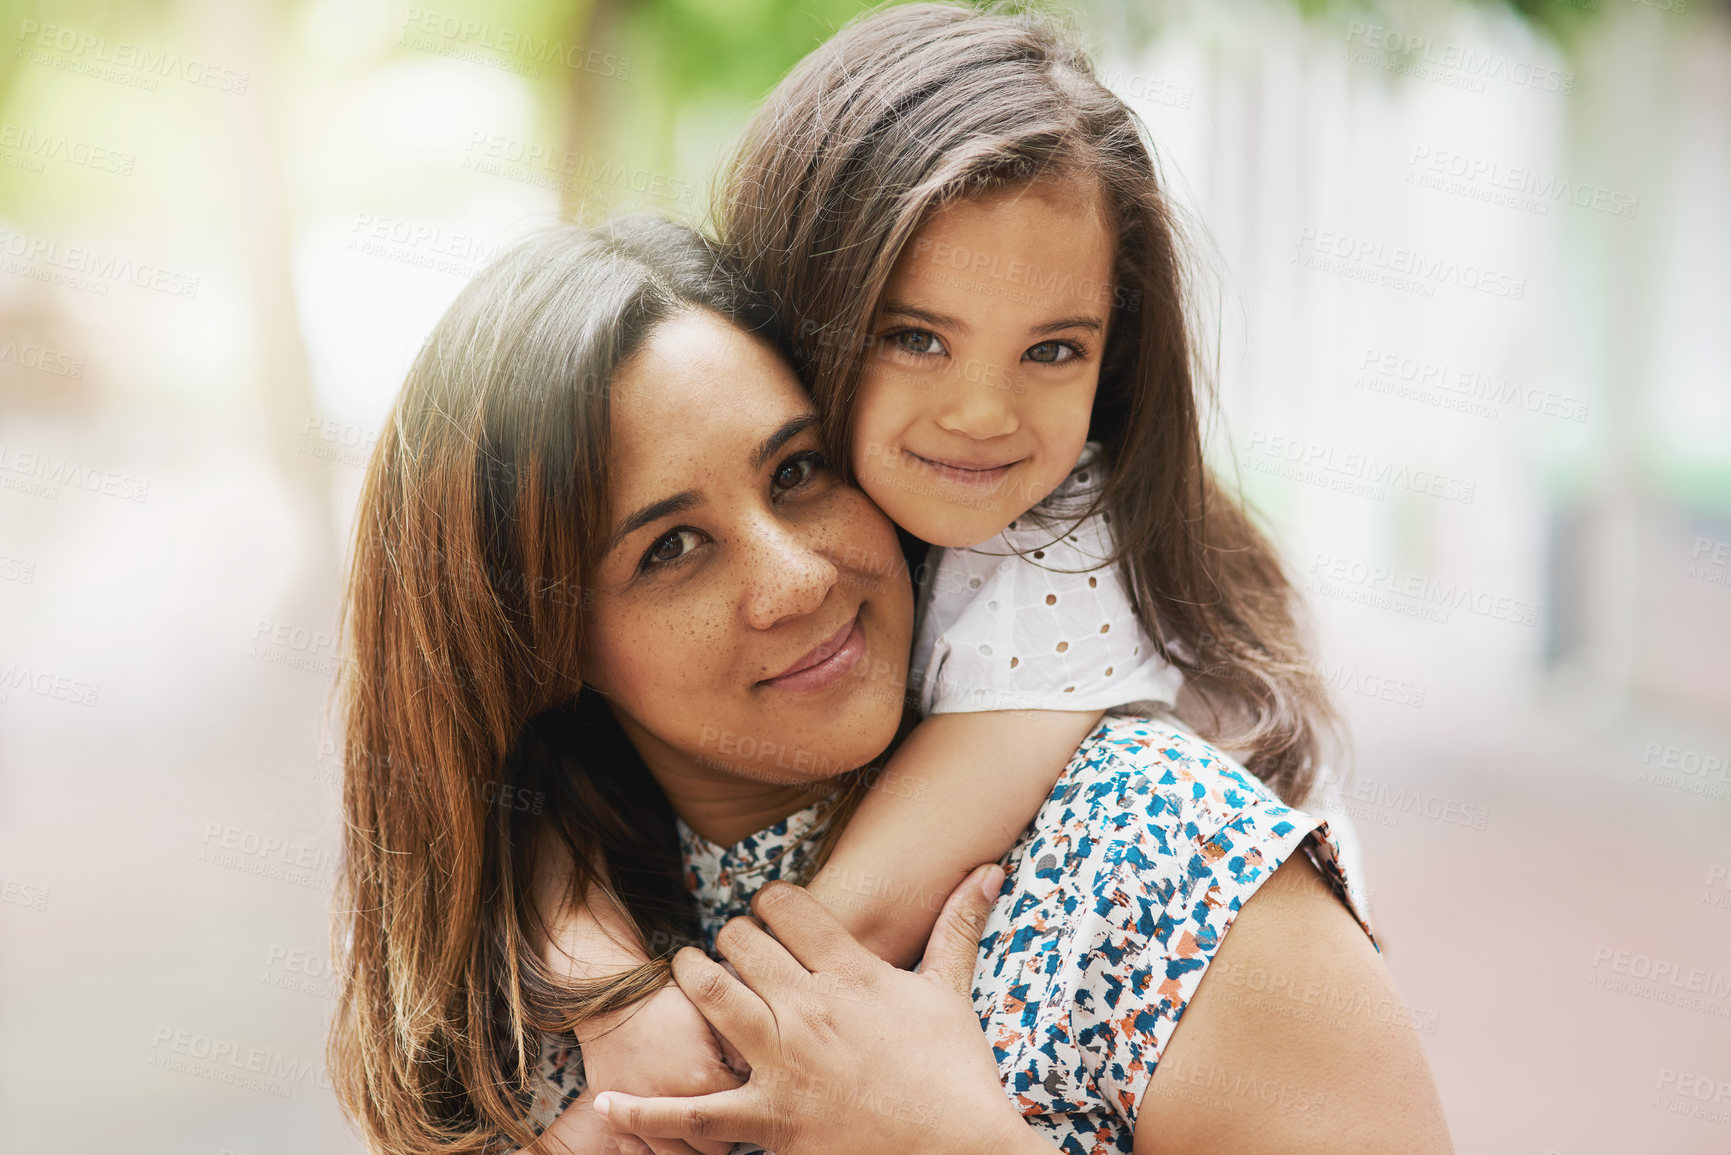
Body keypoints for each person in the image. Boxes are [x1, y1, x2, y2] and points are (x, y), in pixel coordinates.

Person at [326, 216, 1451, 1155]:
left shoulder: (1158, 859)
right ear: (545, 643)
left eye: (799, 471)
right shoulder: (529, 1004)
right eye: (671, 548)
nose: (797, 578)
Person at [560, 12, 1367, 1146]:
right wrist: (572, 940)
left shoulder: (1071, 549)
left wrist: (673, 1049)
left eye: (1053, 350)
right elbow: (511, 780)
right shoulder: (860, 519)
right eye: (915, 338)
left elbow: (861, 918)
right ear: (798, 313)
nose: (984, 415)